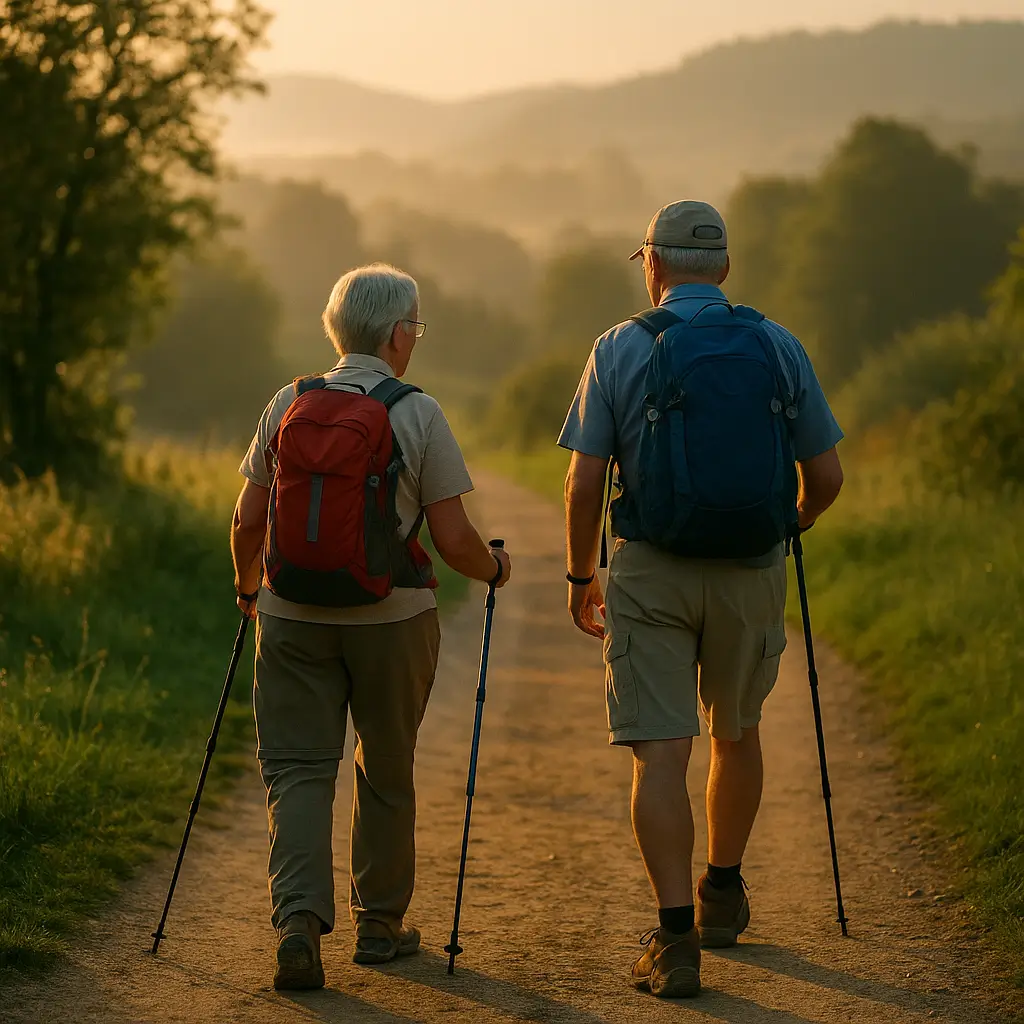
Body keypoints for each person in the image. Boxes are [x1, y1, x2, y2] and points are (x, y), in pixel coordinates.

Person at [558, 201, 844, 999]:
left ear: (652, 265)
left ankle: (676, 938)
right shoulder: (777, 345)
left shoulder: (618, 347)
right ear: (722, 268)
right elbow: (826, 479)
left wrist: (583, 577)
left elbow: (584, 482)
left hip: (650, 570)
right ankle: (724, 889)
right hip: (751, 566)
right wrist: (792, 524)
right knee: (737, 731)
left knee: (661, 749)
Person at [230, 263, 511, 991]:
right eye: (414, 326)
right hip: (393, 618)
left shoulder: (287, 403)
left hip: (291, 615)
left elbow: (247, 517)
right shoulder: (418, 413)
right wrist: (495, 572)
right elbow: (453, 540)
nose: (414, 338)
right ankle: (380, 928)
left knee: (297, 769)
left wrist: (247, 584)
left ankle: (297, 923)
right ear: (396, 334)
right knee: (385, 766)